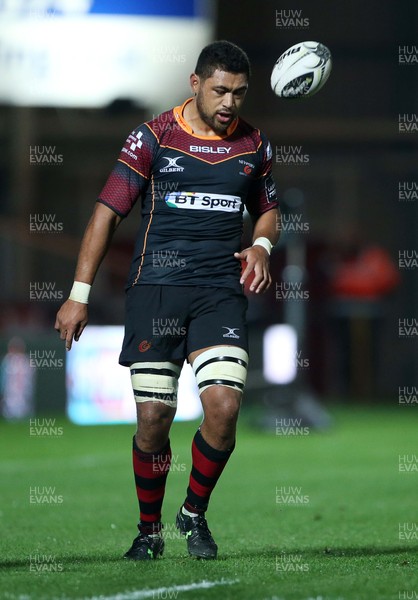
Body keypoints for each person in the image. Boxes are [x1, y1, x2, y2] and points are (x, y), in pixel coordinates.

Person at [55, 40, 280, 560]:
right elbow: (107, 213)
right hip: (156, 290)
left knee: (223, 408)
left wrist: (262, 245)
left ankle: (193, 514)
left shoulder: (255, 146)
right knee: (154, 418)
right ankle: (149, 530)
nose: (229, 103)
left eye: (239, 93)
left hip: (219, 293)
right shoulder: (151, 137)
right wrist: (78, 295)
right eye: (220, 90)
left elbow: (267, 209)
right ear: (195, 84)